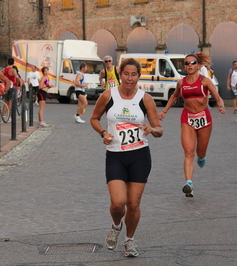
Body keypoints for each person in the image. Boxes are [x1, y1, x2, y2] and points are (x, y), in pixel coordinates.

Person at [90, 58, 163, 257]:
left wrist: (151, 128)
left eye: (134, 74)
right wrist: (103, 133)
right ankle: (115, 226)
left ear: (139, 76)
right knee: (117, 202)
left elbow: (159, 130)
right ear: (120, 74)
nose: (130, 78)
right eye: (126, 74)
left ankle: (129, 240)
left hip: (140, 155)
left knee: (133, 204)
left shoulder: (145, 99)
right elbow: (94, 118)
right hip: (115, 156)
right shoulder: (108, 95)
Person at [158, 52, 225, 197]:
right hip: (187, 118)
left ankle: (202, 157)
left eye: (192, 63)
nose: (189, 65)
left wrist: (221, 105)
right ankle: (189, 183)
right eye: (187, 63)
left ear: (199, 65)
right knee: (188, 152)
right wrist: (164, 111)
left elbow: (216, 95)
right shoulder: (181, 83)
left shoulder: (205, 81)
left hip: (204, 119)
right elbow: (174, 96)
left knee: (200, 152)